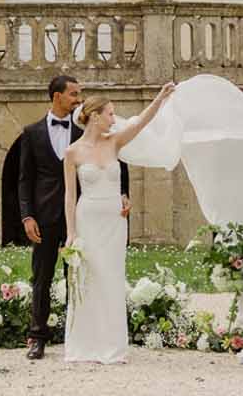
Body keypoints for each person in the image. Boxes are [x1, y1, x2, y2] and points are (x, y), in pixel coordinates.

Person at [61, 81, 177, 364]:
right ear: (95, 115)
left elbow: (142, 122)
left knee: (111, 279)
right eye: (110, 114)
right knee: (88, 280)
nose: (114, 119)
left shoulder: (115, 141)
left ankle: (112, 347)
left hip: (114, 220)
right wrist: (71, 233)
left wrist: (160, 97)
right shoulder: (72, 153)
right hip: (87, 218)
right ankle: (85, 346)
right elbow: (69, 195)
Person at [16, 74, 130, 360]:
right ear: (57, 96)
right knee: (41, 276)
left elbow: (115, 160)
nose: (78, 99)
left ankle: (79, 336)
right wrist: (27, 215)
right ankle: (37, 337)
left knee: (79, 278)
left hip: (83, 217)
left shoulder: (87, 131)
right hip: (43, 217)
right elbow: (24, 179)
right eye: (73, 94)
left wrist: (123, 193)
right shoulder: (32, 133)